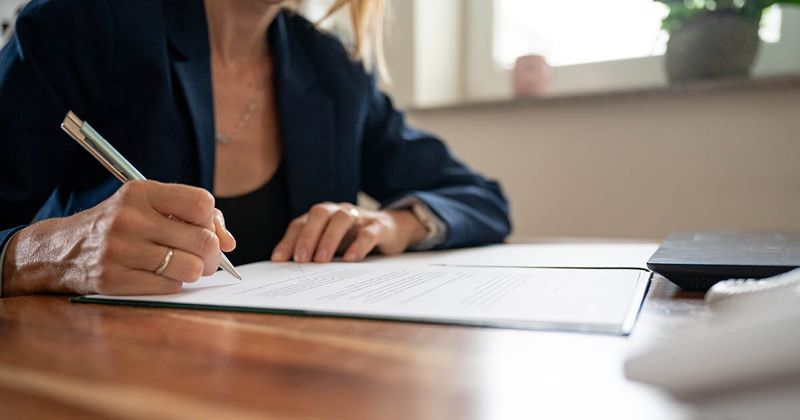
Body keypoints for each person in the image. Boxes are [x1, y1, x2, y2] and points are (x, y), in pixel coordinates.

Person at [0, 0, 511, 297]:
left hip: (287, 376)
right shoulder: (78, 25)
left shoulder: (335, 70)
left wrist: (391, 224)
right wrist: (53, 254)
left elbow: (480, 198)